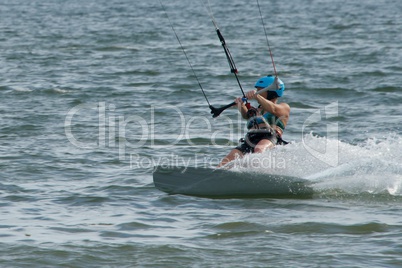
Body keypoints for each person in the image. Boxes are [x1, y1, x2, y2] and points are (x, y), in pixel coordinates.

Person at [218, 75, 290, 167]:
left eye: (260, 90)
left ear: (271, 92)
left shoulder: (284, 107)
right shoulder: (257, 110)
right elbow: (246, 116)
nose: (258, 92)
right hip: (251, 138)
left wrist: (257, 96)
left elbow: (273, 109)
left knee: (259, 149)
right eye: (257, 90)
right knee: (227, 160)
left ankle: (261, 172)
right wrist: (241, 105)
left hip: (270, 138)